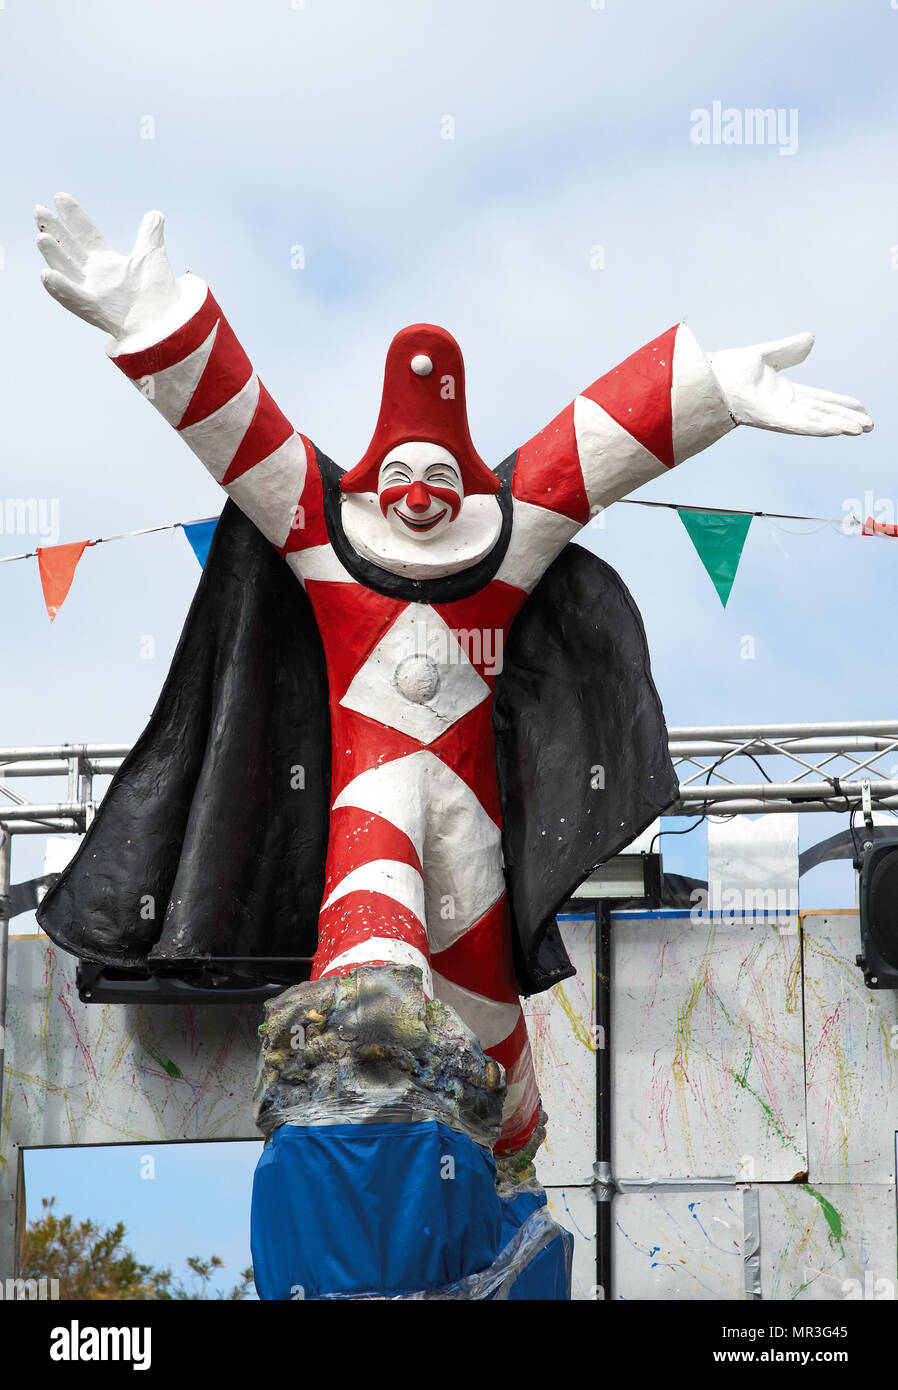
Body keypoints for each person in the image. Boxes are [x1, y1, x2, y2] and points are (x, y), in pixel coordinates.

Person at [35, 193, 872, 1153]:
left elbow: (585, 452)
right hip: (366, 799)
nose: (421, 498)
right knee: (371, 978)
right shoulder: (322, 538)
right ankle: (374, 1147)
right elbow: (246, 434)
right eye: (403, 475)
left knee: (487, 1025)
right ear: (371, 478)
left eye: (442, 478)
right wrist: (154, 323)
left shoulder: (505, 545)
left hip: (475, 822)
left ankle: (508, 1161)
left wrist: (716, 387)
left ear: (467, 484)